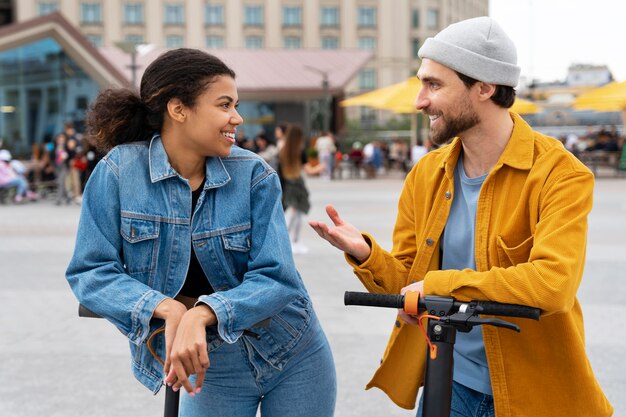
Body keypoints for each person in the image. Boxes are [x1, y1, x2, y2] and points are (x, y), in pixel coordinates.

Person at [309, 16, 612, 417]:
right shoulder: (425, 174)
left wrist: (440, 283)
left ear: (484, 87)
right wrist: (367, 255)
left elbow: (552, 284)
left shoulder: (560, 174)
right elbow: (411, 285)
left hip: (536, 394)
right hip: (449, 382)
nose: (420, 100)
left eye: (434, 85)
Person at [65, 48, 336, 417]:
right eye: (224, 104)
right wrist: (166, 308)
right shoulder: (117, 174)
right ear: (178, 109)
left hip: (292, 349)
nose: (237, 118)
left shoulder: (254, 174)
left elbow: (277, 277)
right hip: (207, 363)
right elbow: (91, 271)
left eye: (236, 105)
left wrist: (201, 312)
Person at [278, 124, 315, 255]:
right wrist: (321, 168)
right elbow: (309, 170)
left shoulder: (282, 150)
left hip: (288, 184)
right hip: (298, 184)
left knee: (293, 213)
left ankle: (287, 241)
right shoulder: (300, 150)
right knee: (297, 213)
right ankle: (294, 241)